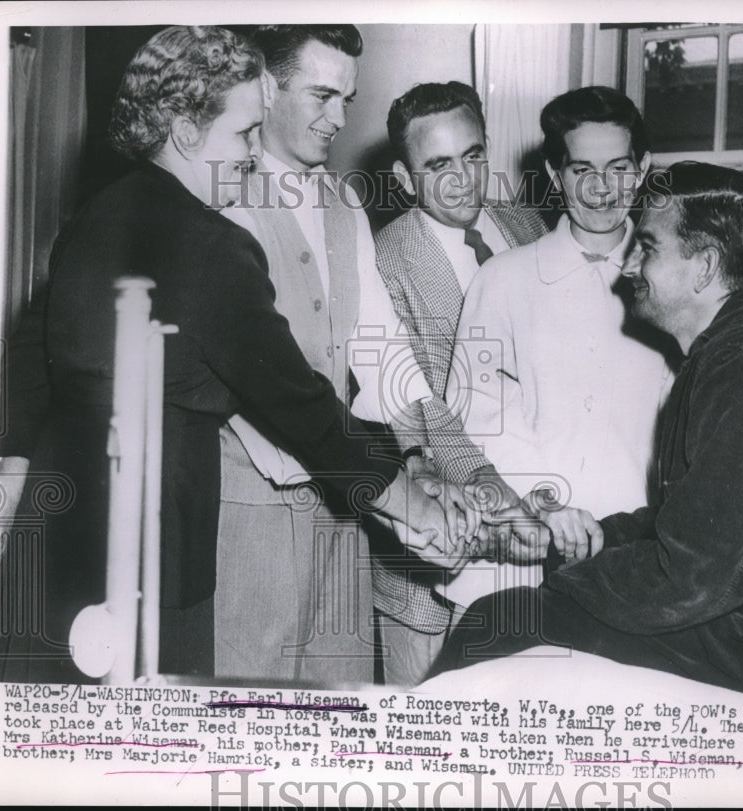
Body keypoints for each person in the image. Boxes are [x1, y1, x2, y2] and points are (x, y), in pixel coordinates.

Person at [0, 26, 458, 684]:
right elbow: (300, 405)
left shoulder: (95, 216)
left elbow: (32, 353)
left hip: (60, 523)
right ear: (186, 131)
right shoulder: (212, 243)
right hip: (157, 538)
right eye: (245, 133)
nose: (251, 151)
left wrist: (13, 473)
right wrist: (409, 504)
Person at [431, 161, 743, 703]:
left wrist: (566, 580)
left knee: (506, 619)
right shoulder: (742, 344)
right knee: (506, 617)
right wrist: (577, 540)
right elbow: (694, 522)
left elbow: (695, 574)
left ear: (704, 266)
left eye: (647, 248)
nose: (629, 267)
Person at [215, 25, 473, 684]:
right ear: (266, 89)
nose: (338, 119)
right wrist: (393, 493)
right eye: (321, 95)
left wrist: (418, 467)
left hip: (344, 504)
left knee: (341, 702)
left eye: (347, 100)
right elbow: (256, 384)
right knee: (249, 703)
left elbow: (383, 351)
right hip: (246, 505)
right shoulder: (217, 195)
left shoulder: (344, 203)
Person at [443, 86, 674, 611]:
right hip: (520, 551)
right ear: (554, 175)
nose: (601, 189)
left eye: (618, 168)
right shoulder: (502, 279)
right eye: (581, 170)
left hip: (634, 556)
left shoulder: (673, 284)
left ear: (642, 169)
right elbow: (479, 413)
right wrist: (548, 502)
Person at [371, 80, 547, 685]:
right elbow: (413, 407)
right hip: (439, 550)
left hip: (538, 534)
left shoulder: (527, 229)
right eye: (438, 164)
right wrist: (499, 502)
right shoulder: (383, 261)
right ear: (402, 177)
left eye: (473, 156)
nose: (463, 181)